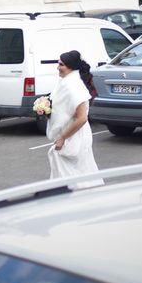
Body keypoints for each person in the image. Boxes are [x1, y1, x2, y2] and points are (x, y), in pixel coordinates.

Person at [46, 50, 103, 188]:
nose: (58, 67)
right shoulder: (66, 82)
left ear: (71, 66)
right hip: (71, 135)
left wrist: (62, 138)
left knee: (74, 177)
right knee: (75, 174)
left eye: (61, 64)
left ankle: (76, 203)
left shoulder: (74, 86)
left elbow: (82, 118)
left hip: (74, 137)